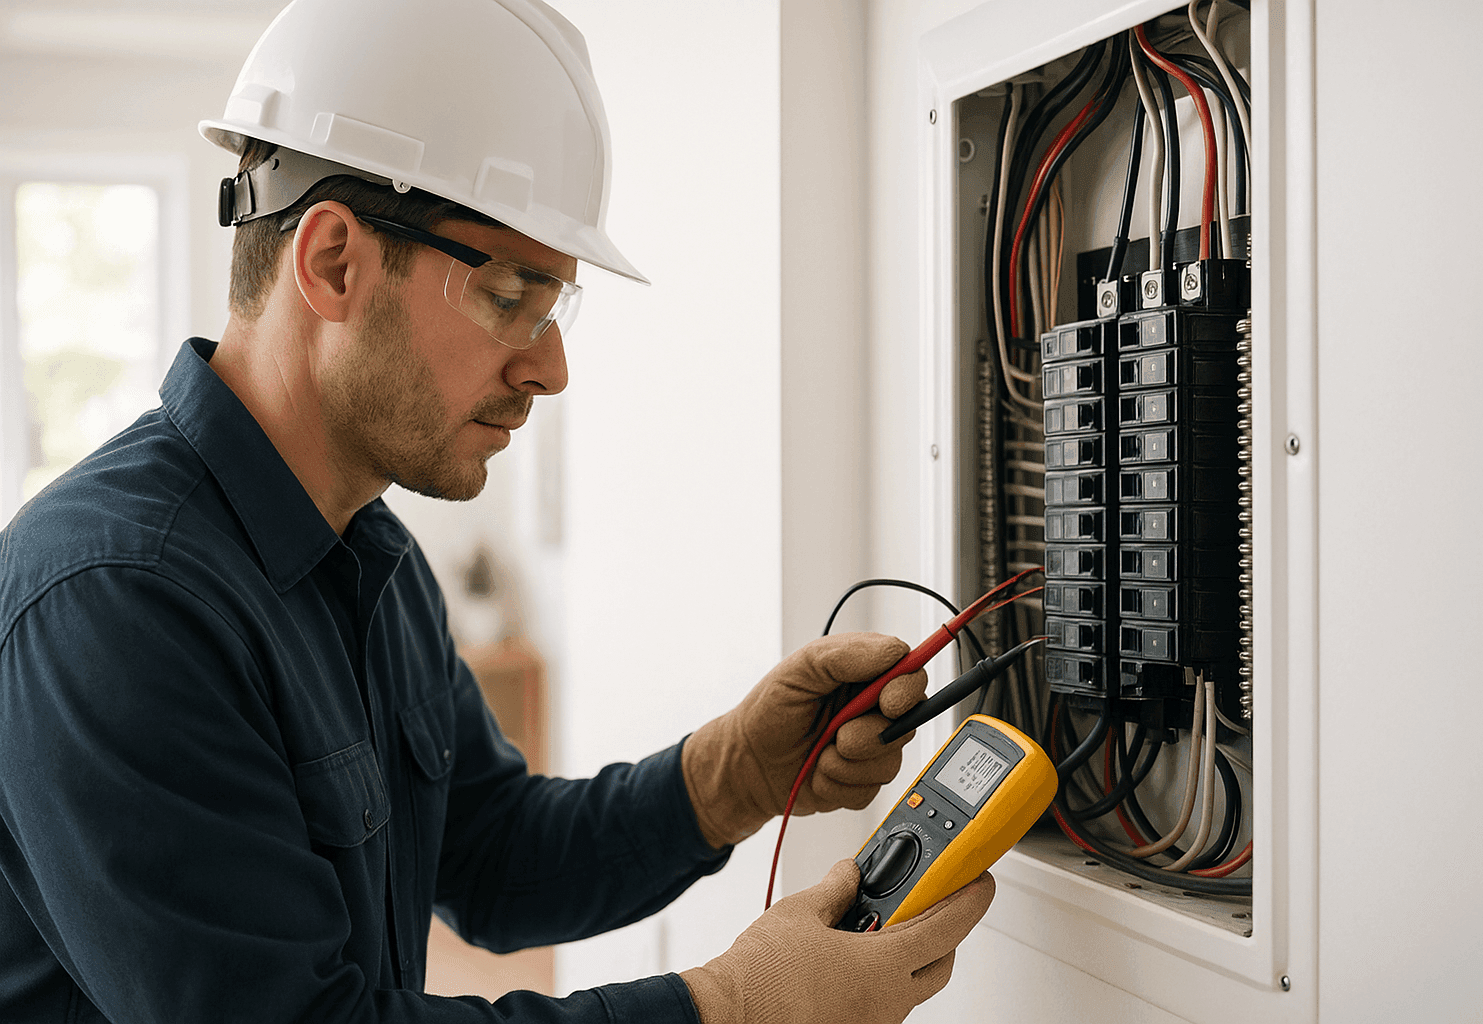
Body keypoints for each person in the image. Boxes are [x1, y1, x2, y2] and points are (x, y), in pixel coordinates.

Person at [0, 1, 994, 1021]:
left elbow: (490, 855)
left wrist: (734, 769)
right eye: (508, 294)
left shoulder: (370, 557)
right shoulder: (113, 599)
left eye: (553, 305)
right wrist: (732, 1007)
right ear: (334, 261)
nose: (551, 368)